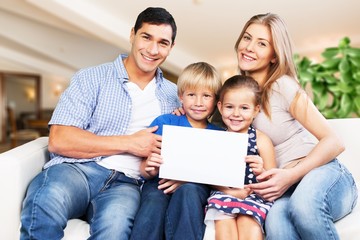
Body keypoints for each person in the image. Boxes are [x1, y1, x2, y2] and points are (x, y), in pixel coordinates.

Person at [20, 7, 180, 240]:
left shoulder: (176, 95)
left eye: (163, 42)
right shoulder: (90, 78)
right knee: (46, 199)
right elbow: (58, 140)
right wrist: (130, 144)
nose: (153, 50)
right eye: (146, 37)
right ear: (133, 34)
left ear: (171, 47)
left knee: (115, 229)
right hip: (76, 170)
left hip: (128, 184)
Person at [220, 13, 358, 240]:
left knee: (304, 205)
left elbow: (334, 141)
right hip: (285, 190)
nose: (249, 47)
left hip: (324, 175)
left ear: (274, 56)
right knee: (275, 225)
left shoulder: (282, 86)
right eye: (247, 38)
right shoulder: (236, 97)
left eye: (262, 43)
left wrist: (291, 175)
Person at [131, 62, 223, 240]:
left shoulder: (219, 135)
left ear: (216, 101)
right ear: (181, 96)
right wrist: (149, 168)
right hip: (159, 184)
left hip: (196, 188)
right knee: (154, 203)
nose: (198, 102)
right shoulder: (166, 122)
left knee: (189, 192)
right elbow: (144, 169)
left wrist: (186, 179)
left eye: (206, 96)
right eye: (191, 95)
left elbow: (217, 176)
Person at [205, 75, 276, 240]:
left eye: (244, 108)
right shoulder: (216, 139)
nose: (236, 114)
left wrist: (261, 171)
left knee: (249, 227)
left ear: (256, 110)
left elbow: (273, 181)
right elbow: (208, 176)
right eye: (230, 107)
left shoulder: (261, 140)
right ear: (220, 107)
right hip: (224, 194)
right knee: (224, 230)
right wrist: (231, 191)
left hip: (255, 196)